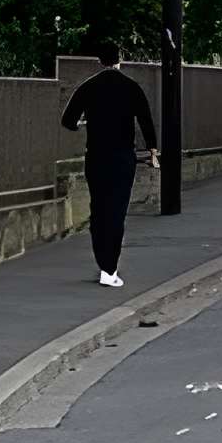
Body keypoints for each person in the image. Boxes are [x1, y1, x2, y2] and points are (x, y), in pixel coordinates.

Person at [60, 42, 158, 288]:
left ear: (99, 61)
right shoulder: (131, 87)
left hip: (97, 155)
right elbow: (146, 120)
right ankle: (109, 268)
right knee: (117, 209)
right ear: (119, 59)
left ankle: (102, 259)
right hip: (123, 157)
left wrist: (86, 122)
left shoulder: (88, 87)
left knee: (99, 208)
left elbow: (68, 120)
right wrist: (153, 151)